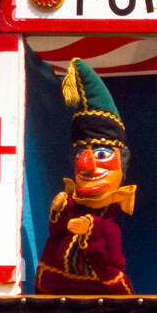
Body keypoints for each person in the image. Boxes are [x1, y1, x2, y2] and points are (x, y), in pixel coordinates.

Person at [34, 58, 136, 294]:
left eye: (101, 153)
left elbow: (111, 255)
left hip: (99, 286)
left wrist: (91, 228)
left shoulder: (108, 227)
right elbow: (56, 233)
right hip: (55, 282)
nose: (88, 164)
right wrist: (59, 212)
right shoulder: (69, 204)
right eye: (81, 153)